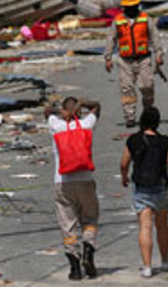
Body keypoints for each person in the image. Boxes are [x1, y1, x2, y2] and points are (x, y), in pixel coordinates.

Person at [120, 107, 168, 279]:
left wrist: (124, 177)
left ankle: (147, 267)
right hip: (161, 187)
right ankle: (165, 261)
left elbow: (124, 162)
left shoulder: (133, 140)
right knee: (162, 225)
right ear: (157, 122)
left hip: (141, 188)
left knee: (145, 226)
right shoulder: (165, 141)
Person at [46, 96, 102, 281]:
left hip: (62, 182)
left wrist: (60, 112)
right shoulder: (86, 124)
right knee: (90, 219)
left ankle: (75, 268)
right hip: (85, 179)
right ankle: (88, 251)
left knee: (68, 225)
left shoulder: (56, 125)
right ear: (78, 111)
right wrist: (84, 104)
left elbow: (46, 110)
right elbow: (97, 106)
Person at [105, 0, 164, 128]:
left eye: (134, 6)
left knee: (147, 86)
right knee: (127, 89)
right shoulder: (118, 21)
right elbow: (111, 39)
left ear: (138, 5)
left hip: (143, 59)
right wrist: (108, 57)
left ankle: (147, 111)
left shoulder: (145, 18)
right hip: (125, 60)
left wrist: (159, 53)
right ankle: (130, 117)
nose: (132, 9)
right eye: (129, 6)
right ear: (124, 7)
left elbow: (154, 36)